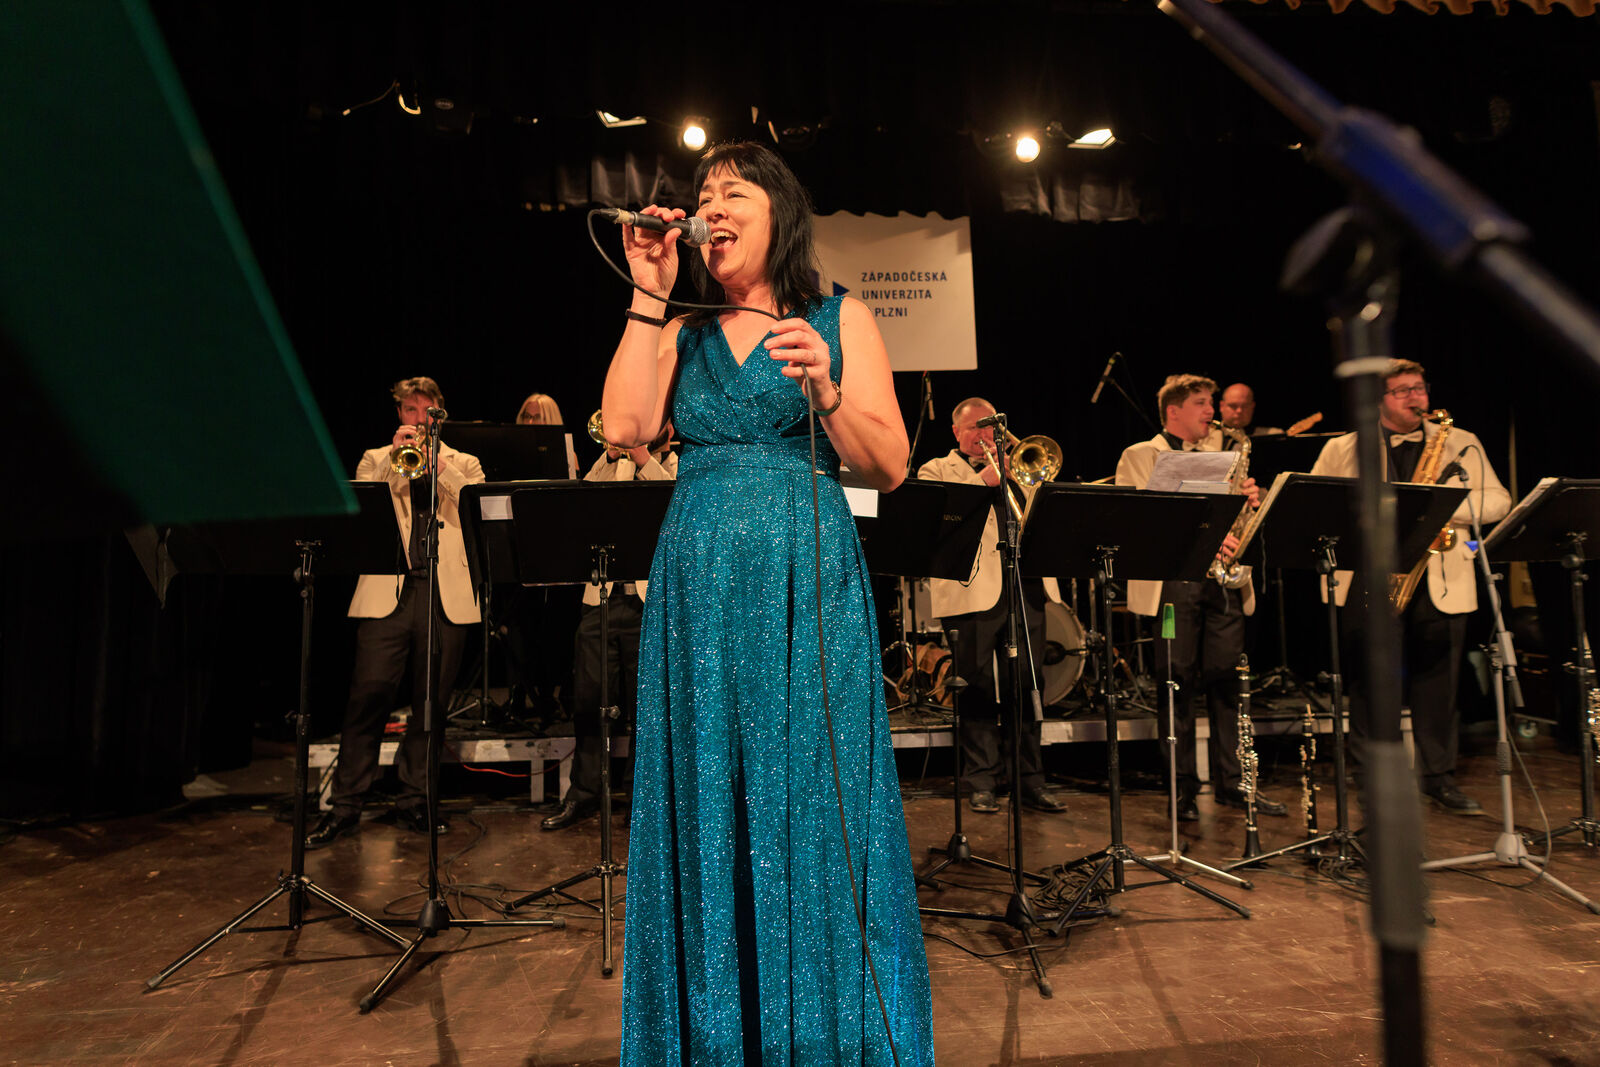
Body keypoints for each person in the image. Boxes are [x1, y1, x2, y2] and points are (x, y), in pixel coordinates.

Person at [600, 141, 934, 1065]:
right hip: (699, 586)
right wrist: (649, 291)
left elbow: (890, 465)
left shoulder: (838, 315)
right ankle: (720, 1034)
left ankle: (826, 1033)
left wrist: (827, 388)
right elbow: (625, 427)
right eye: (703, 195)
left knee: (814, 799)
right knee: (709, 789)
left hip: (805, 582)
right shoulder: (681, 330)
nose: (711, 207)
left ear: (778, 212)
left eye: (732, 191)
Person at [1310, 358, 1511, 814]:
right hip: (1370, 577)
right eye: (1402, 390)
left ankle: (1437, 777)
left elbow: (1499, 500)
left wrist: (1440, 508)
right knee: (1370, 687)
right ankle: (1373, 780)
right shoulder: (1345, 447)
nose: (1415, 397)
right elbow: (1318, 505)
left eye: (1419, 388)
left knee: (1439, 686)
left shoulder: (1461, 441)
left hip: (1440, 577)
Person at [306, 377, 485, 848]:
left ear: (440, 413)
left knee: (431, 706)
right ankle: (346, 806)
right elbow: (364, 505)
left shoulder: (465, 462)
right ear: (399, 414)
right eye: (409, 409)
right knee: (367, 699)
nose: (417, 418)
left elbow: (474, 506)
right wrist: (395, 457)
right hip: (389, 591)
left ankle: (415, 801)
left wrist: (439, 464)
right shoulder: (375, 457)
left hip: (444, 594)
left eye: (426, 410)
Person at [1115, 373, 1288, 823]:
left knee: (1228, 681)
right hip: (1174, 584)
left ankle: (1235, 784)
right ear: (1173, 411)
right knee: (1176, 683)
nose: (1212, 411)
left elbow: (1235, 519)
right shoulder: (1141, 454)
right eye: (1202, 403)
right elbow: (1134, 521)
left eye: (1212, 403)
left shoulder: (1225, 454)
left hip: (1222, 581)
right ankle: (1182, 788)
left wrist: (1249, 502)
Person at [918, 397, 1070, 815]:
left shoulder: (1020, 468)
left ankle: (1029, 780)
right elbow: (938, 517)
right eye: (976, 427)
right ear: (956, 432)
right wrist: (983, 480)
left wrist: (1021, 477)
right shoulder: (936, 468)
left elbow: (1047, 514)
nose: (986, 435)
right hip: (972, 591)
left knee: (1029, 685)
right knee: (976, 687)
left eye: (991, 428)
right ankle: (981, 780)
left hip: (1025, 584)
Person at [541, 424, 678, 831]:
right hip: (600, 599)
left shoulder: (676, 465)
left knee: (644, 710)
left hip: (647, 605)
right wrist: (613, 456)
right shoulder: (613, 464)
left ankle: (641, 802)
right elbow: (582, 500)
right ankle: (583, 794)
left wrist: (641, 456)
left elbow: (670, 500)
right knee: (589, 702)